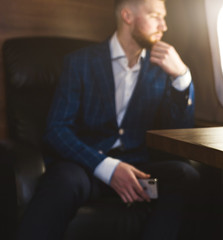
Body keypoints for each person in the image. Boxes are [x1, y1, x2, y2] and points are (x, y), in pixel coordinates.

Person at [16, 0, 199, 239]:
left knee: (186, 175)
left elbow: (179, 137)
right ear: (127, 16)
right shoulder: (80, 62)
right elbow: (56, 130)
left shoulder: (163, 69)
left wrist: (182, 78)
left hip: (139, 170)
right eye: (155, 15)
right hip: (87, 167)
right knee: (62, 179)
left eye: (163, 17)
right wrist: (107, 168)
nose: (163, 25)